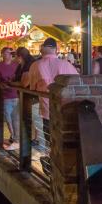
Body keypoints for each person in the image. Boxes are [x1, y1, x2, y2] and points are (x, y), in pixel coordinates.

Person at [28, 38, 78, 173]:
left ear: (43, 49)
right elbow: (78, 84)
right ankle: (62, 167)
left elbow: (32, 87)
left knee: (51, 138)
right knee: (65, 139)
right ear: (56, 50)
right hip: (66, 108)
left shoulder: (35, 65)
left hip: (47, 110)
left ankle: (53, 166)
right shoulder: (66, 65)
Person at [0, 47, 20, 150]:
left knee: (16, 118)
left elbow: (21, 79)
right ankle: (13, 137)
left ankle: (16, 139)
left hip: (16, 95)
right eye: (7, 53)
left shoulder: (17, 65)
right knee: (8, 118)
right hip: (6, 96)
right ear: (2, 54)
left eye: (11, 53)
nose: (10, 54)